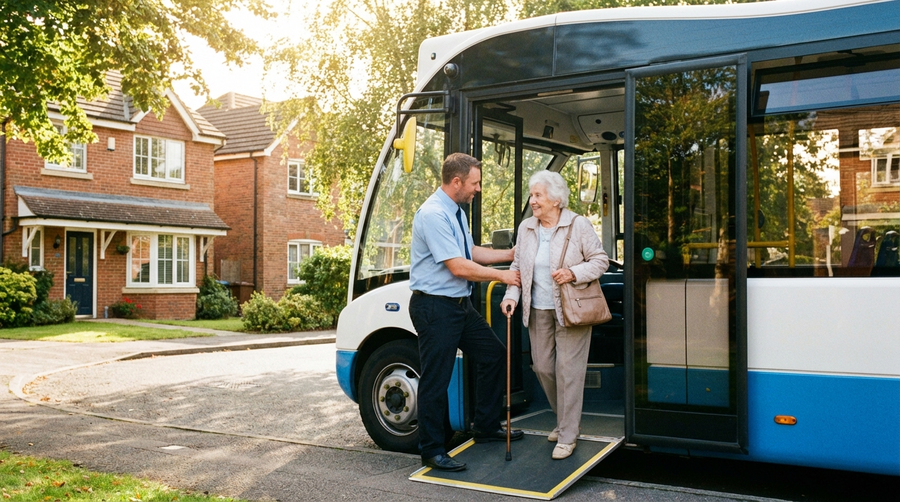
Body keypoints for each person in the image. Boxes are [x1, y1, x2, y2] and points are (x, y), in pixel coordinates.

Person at [409, 152, 523, 472]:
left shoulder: (457, 211)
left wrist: (509, 254)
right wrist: (503, 275)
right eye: (475, 183)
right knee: (436, 379)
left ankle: (485, 427)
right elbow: (458, 266)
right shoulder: (432, 214)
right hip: (434, 307)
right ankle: (432, 450)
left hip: (459, 306)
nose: (478, 189)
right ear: (456, 182)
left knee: (492, 355)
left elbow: (470, 252)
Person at [500, 170, 609, 460]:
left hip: (572, 309)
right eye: (532, 195)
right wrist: (511, 296)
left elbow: (600, 261)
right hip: (538, 309)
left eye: (538, 195)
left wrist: (573, 273)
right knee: (544, 368)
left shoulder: (578, 225)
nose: (532, 201)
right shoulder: (526, 228)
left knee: (569, 372)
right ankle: (564, 422)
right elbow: (517, 268)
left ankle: (568, 433)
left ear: (556, 199)